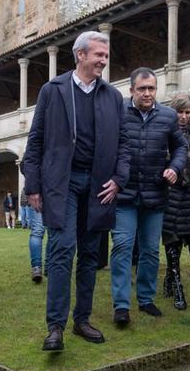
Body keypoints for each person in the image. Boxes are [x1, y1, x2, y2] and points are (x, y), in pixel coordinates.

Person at [22, 30, 129, 352]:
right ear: (80, 55)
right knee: (61, 249)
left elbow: (124, 143)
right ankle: (55, 326)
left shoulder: (112, 97)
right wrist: (33, 185)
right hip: (61, 184)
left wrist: (120, 178)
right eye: (98, 55)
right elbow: (36, 140)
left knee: (90, 255)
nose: (103, 61)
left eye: (105, 56)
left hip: (98, 187)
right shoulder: (52, 90)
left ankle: (81, 320)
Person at [111, 68, 187, 325]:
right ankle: (121, 305)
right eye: (142, 88)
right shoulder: (117, 111)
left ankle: (145, 298)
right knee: (122, 246)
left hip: (156, 194)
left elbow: (180, 148)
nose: (147, 93)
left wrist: (175, 168)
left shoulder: (167, 116)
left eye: (151, 88)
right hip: (124, 194)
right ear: (131, 89)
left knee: (151, 250)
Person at [161, 94, 190, 310]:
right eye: (180, 112)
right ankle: (178, 284)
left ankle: (170, 277)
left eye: (187, 112)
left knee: (182, 238)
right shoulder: (165, 131)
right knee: (171, 237)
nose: (183, 116)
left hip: (189, 192)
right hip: (169, 191)